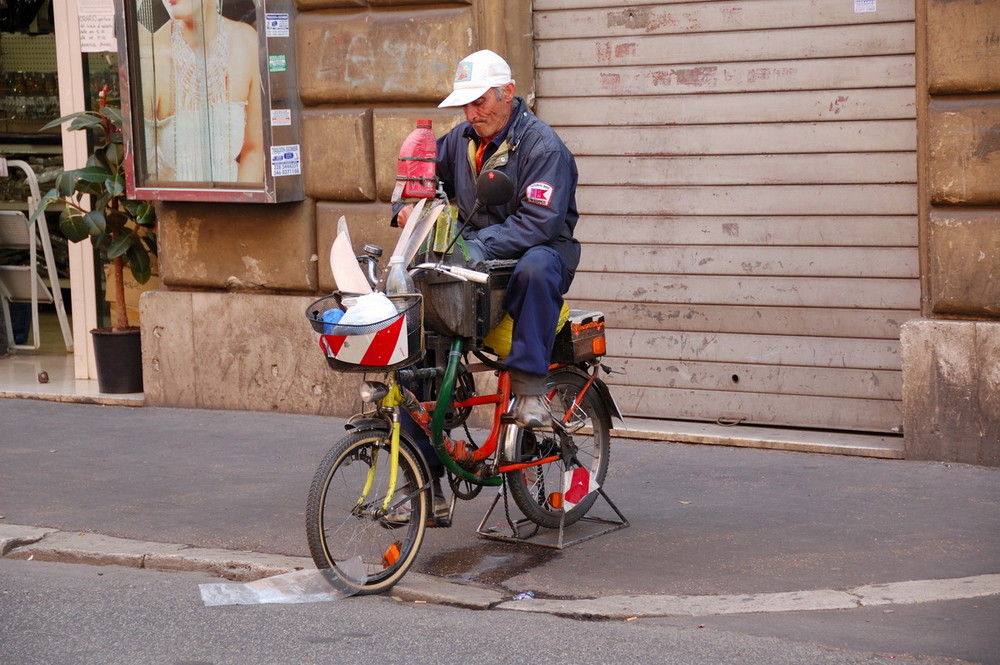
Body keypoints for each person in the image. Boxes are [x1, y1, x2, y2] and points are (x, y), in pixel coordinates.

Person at [397, 49, 581, 430]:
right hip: (479, 259)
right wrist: (406, 207)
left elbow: (539, 222)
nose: (471, 114)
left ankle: (530, 388)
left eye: (478, 102)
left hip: (537, 253)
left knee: (536, 266)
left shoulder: (543, 147)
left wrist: (476, 247)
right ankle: (425, 443)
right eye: (465, 105)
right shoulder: (460, 140)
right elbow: (422, 182)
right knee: (419, 274)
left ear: (507, 92)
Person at [144, 0, 264, 184]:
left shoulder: (245, 41)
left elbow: (254, 150)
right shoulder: (154, 55)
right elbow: (145, 178)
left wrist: (238, 209)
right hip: (179, 211)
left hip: (237, 209)